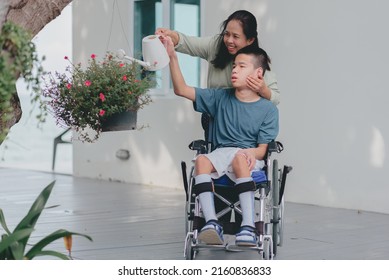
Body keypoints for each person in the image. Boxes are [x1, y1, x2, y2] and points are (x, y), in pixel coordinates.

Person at [160, 35, 279, 247]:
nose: (234, 70)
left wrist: (247, 154)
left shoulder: (268, 109)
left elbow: (262, 150)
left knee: (239, 159)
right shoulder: (220, 98)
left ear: (258, 73)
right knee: (202, 161)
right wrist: (172, 56)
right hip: (222, 154)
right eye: (234, 66)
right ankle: (212, 223)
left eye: (241, 66)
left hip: (249, 158)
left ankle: (249, 226)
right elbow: (181, 89)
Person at [155, 10, 280, 105]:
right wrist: (171, 36)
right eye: (226, 34)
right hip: (217, 118)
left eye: (236, 37)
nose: (229, 40)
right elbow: (187, 42)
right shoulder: (216, 45)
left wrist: (263, 90)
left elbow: (275, 98)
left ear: (250, 40)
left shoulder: (257, 61)